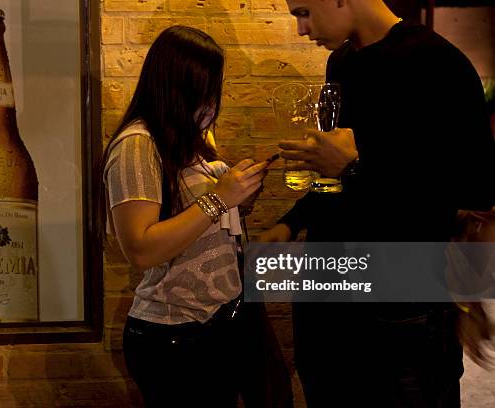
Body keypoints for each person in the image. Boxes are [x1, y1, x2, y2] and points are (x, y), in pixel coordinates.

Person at [257, 1, 495, 407]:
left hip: (400, 302)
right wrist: (293, 221)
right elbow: (338, 175)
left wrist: (356, 166)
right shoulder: (342, 63)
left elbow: (468, 195)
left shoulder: (437, 63)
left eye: (304, 12)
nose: (300, 29)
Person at [101, 26, 293, 407]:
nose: (213, 102)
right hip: (174, 335)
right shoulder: (137, 145)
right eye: (208, 90)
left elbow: (197, 223)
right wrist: (219, 200)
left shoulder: (186, 141)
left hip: (216, 325)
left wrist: (237, 196)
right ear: (180, 87)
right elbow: (140, 248)